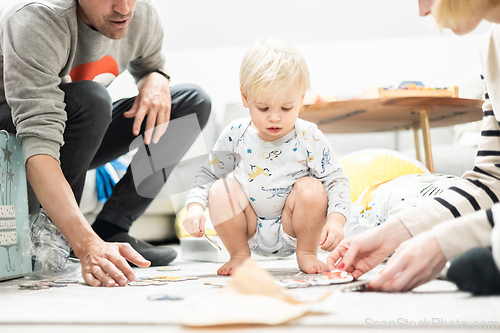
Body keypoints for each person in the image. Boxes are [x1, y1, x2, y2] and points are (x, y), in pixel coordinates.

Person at [0, 0, 211, 287]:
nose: (124, 9)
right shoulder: (38, 19)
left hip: (75, 130)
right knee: (93, 99)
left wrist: (157, 78)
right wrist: (86, 244)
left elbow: (151, 64)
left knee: (190, 103)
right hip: (14, 138)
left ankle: (112, 228)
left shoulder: (141, 14)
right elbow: (39, 140)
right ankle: (59, 238)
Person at [327, 0, 500, 295]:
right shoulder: (491, 49)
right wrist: (392, 234)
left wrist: (445, 242)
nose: (422, 11)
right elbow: (491, 182)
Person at [182, 39, 350, 275]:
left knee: (312, 187)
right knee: (221, 188)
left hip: (294, 228)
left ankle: (307, 254)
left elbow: (336, 180)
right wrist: (194, 207)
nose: (274, 118)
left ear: (301, 99)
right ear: (245, 97)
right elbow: (209, 174)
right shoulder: (235, 134)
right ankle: (239, 255)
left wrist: (336, 220)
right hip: (248, 228)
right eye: (263, 108)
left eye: (286, 108)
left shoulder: (309, 136)